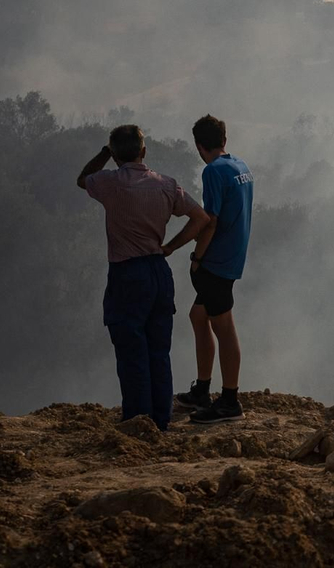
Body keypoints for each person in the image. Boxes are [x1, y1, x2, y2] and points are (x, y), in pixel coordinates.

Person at [78, 124, 212, 430]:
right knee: (158, 352)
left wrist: (103, 154)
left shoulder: (109, 183)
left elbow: (82, 179)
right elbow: (201, 218)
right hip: (158, 271)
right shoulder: (166, 185)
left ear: (114, 155)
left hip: (127, 273)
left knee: (131, 352)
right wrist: (171, 247)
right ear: (144, 151)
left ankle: (138, 423)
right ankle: (160, 422)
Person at [174, 114, 254, 425]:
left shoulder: (213, 172)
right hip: (233, 255)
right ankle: (203, 391)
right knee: (198, 316)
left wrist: (197, 258)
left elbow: (210, 221)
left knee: (224, 327)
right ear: (224, 139)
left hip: (217, 262)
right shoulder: (240, 166)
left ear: (198, 145)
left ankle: (230, 401)